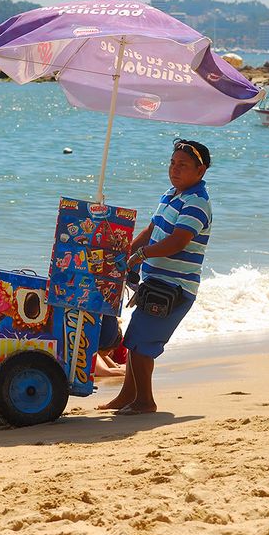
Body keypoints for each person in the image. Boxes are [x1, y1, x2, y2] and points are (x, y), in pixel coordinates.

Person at [99, 138, 212, 414]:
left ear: (201, 171)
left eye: (183, 165)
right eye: (173, 163)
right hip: (156, 282)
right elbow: (152, 230)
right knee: (134, 340)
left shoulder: (197, 203)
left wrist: (141, 256)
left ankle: (145, 401)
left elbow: (177, 242)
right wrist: (125, 254)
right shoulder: (171, 195)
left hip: (175, 286)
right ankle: (127, 396)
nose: (174, 169)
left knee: (142, 344)